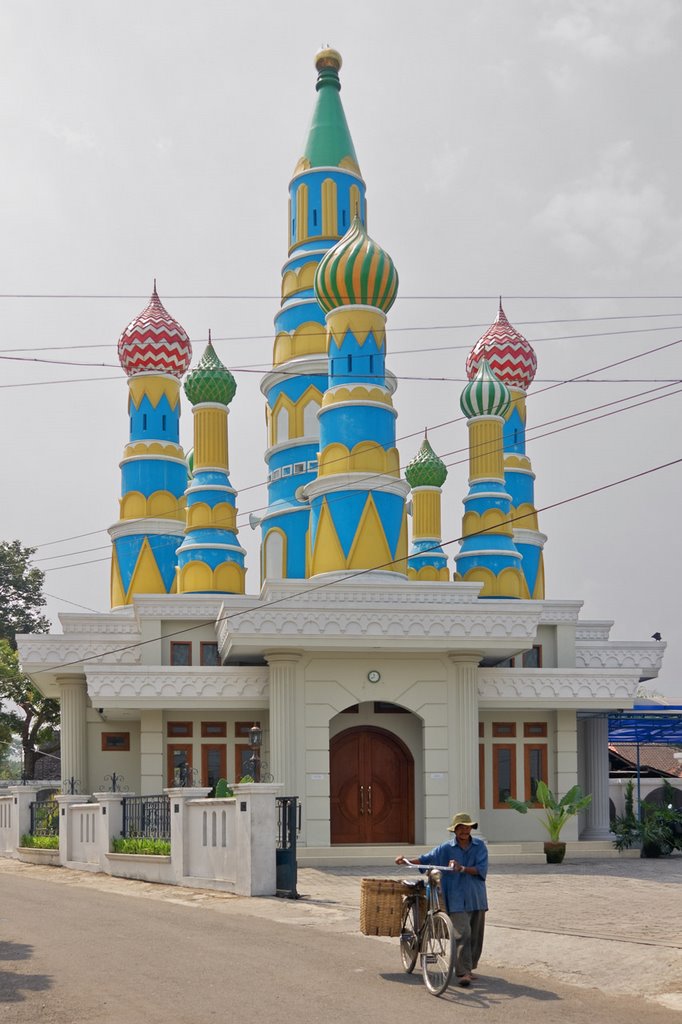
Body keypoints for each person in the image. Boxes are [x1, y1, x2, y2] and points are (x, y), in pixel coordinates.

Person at [396, 811, 488, 987]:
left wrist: (462, 868)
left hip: (476, 896)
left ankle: (469, 966)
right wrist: (406, 860)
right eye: (460, 828)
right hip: (455, 897)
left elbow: (481, 869)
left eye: (467, 828)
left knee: (476, 935)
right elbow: (425, 859)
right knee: (463, 932)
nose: (464, 831)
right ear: (455, 831)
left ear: (471, 829)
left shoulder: (480, 847)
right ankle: (463, 972)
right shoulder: (445, 848)